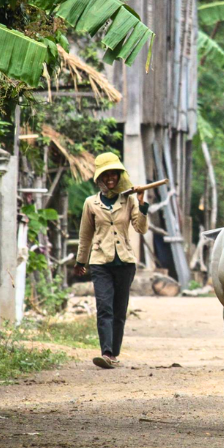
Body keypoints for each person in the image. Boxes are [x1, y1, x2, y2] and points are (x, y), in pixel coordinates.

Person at [74, 152, 150, 369]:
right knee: (104, 307)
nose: (110, 179)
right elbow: (85, 235)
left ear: (119, 176)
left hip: (125, 263)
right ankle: (106, 352)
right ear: (99, 179)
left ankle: (114, 353)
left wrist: (142, 204)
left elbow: (141, 228)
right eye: (105, 175)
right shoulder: (91, 203)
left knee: (119, 310)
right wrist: (81, 261)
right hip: (100, 262)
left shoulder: (129, 200)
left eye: (113, 175)